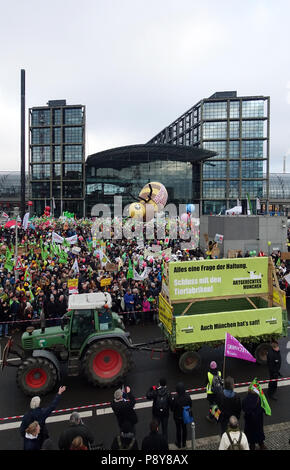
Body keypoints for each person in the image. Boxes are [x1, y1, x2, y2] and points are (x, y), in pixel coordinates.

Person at [170, 381, 192, 449]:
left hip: (177, 417)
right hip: (185, 417)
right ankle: (184, 443)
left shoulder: (175, 398)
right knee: (184, 429)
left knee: (178, 430)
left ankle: (179, 443)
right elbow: (190, 405)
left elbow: (172, 409)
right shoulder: (187, 396)